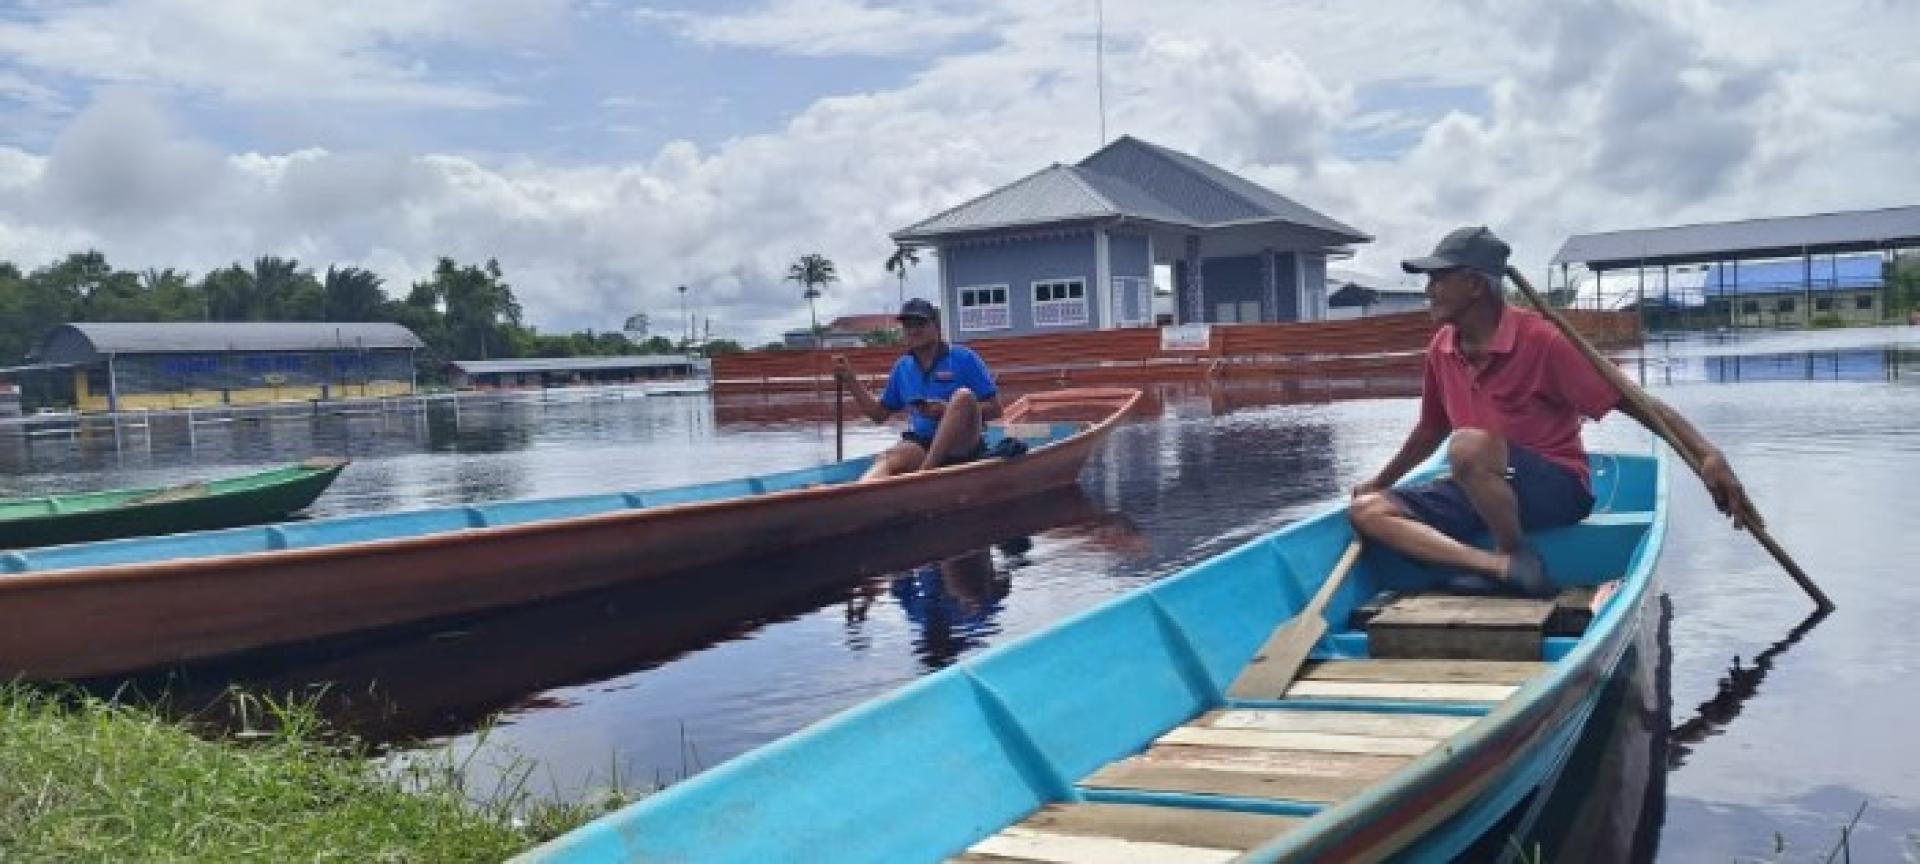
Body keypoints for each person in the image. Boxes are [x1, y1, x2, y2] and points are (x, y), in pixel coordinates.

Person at [1349, 226, 1756, 597]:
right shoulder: (1442, 347)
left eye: (1440, 278)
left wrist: (1706, 454)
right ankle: (1501, 567)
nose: (1429, 290)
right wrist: (1380, 482)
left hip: (1557, 490)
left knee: (1467, 447)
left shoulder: (1544, 342)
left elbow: (1635, 401)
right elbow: (1430, 429)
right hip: (1481, 487)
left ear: (1474, 285)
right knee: (1369, 511)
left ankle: (1514, 550)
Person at [833, 298, 1003, 480]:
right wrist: (850, 379)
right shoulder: (903, 367)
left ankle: (924, 477)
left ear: (936, 327)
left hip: (962, 445)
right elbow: (878, 415)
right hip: (923, 443)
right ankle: (861, 488)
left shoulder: (964, 358)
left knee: (963, 397)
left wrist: (947, 412)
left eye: (920, 324)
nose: (913, 330)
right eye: (908, 326)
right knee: (894, 456)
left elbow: (995, 409)